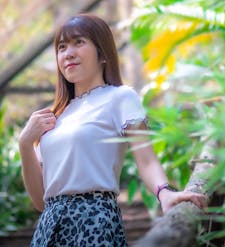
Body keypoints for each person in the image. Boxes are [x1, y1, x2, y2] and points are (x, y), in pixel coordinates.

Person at [19, 13, 206, 247]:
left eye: (79, 42)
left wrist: (164, 193)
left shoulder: (120, 97)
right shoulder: (53, 117)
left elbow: (146, 159)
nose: (68, 53)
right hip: (49, 227)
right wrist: (25, 143)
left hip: (93, 221)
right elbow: (40, 201)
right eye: (62, 47)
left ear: (102, 53)